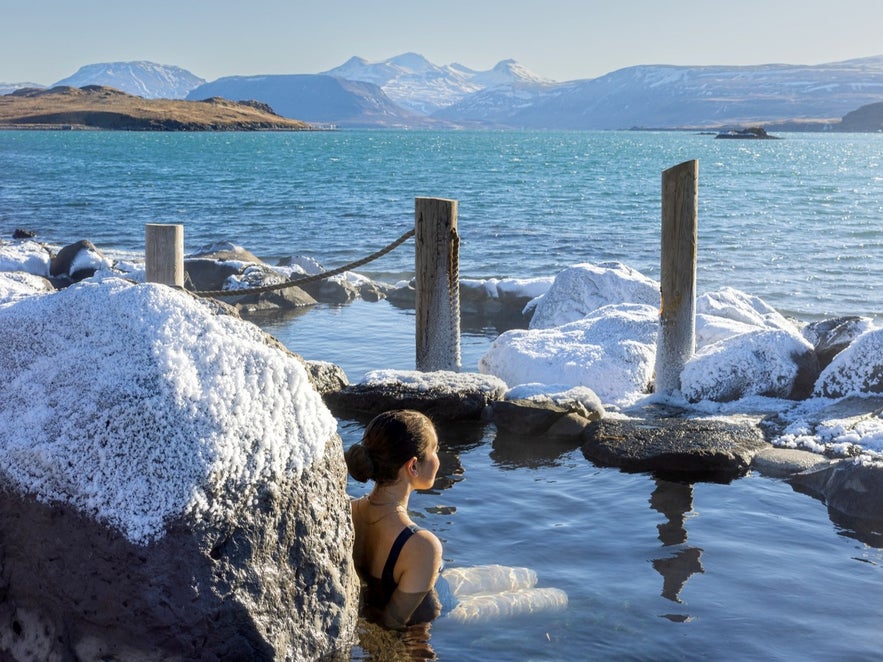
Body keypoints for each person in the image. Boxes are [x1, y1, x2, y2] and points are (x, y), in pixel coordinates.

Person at [345, 409, 444, 630]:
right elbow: (395, 623)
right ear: (413, 466)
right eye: (435, 450)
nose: (438, 459)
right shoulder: (422, 546)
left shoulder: (346, 510)